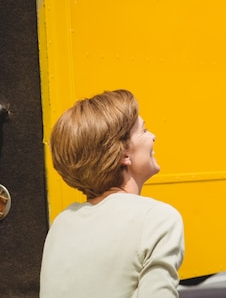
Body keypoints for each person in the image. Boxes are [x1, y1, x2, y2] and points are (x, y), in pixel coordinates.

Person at [40, 89, 185, 298]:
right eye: (144, 131)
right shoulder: (157, 218)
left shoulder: (62, 223)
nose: (153, 137)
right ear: (123, 154)